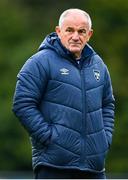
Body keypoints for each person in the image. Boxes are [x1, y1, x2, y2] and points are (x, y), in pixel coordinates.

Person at [12, 8, 115, 179]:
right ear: (59, 31)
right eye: (70, 30)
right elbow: (22, 104)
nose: (76, 36)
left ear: (89, 34)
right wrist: (50, 138)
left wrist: (104, 140)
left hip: (94, 168)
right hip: (53, 166)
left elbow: (108, 105)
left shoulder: (98, 65)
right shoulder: (39, 62)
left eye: (81, 31)